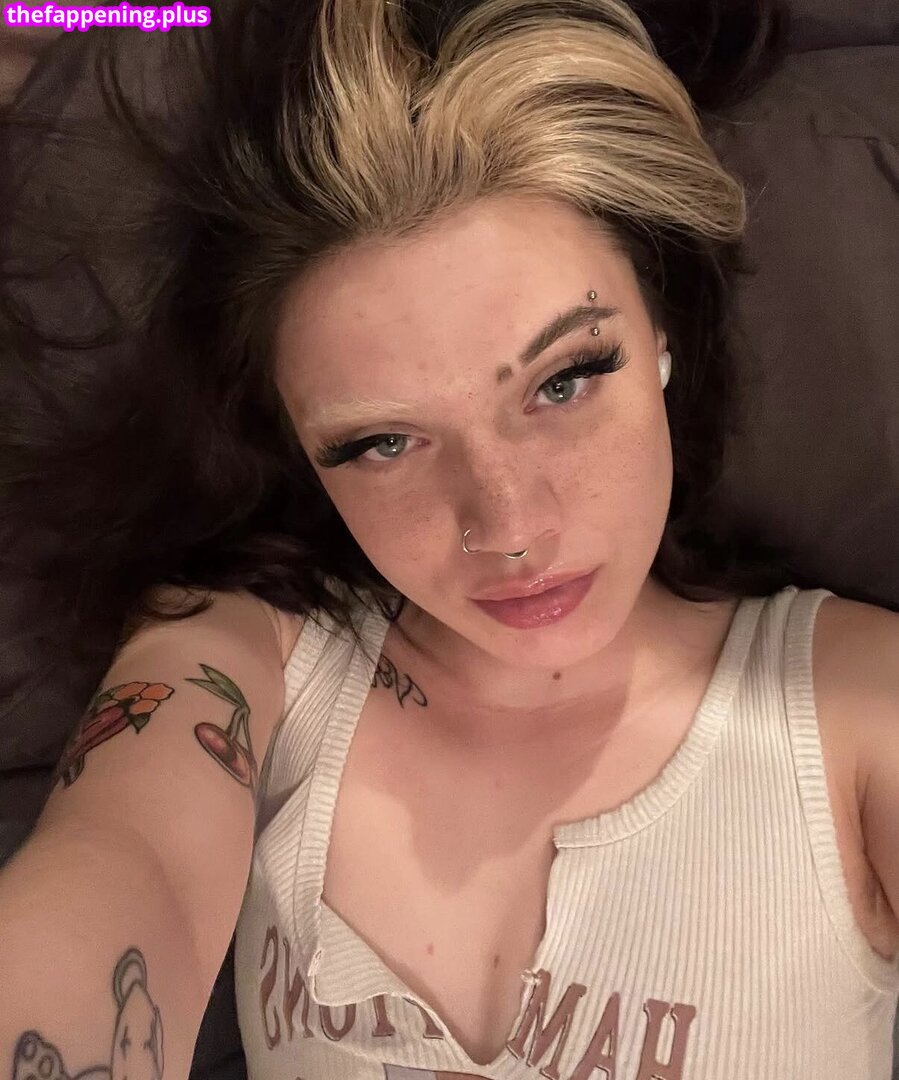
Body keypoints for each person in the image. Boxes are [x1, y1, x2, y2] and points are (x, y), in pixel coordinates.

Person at [0, 0, 896, 1077]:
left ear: (660, 331)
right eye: (382, 443)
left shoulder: (859, 710)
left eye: (563, 381)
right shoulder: (236, 661)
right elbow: (119, 865)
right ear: (300, 449)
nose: (508, 529)